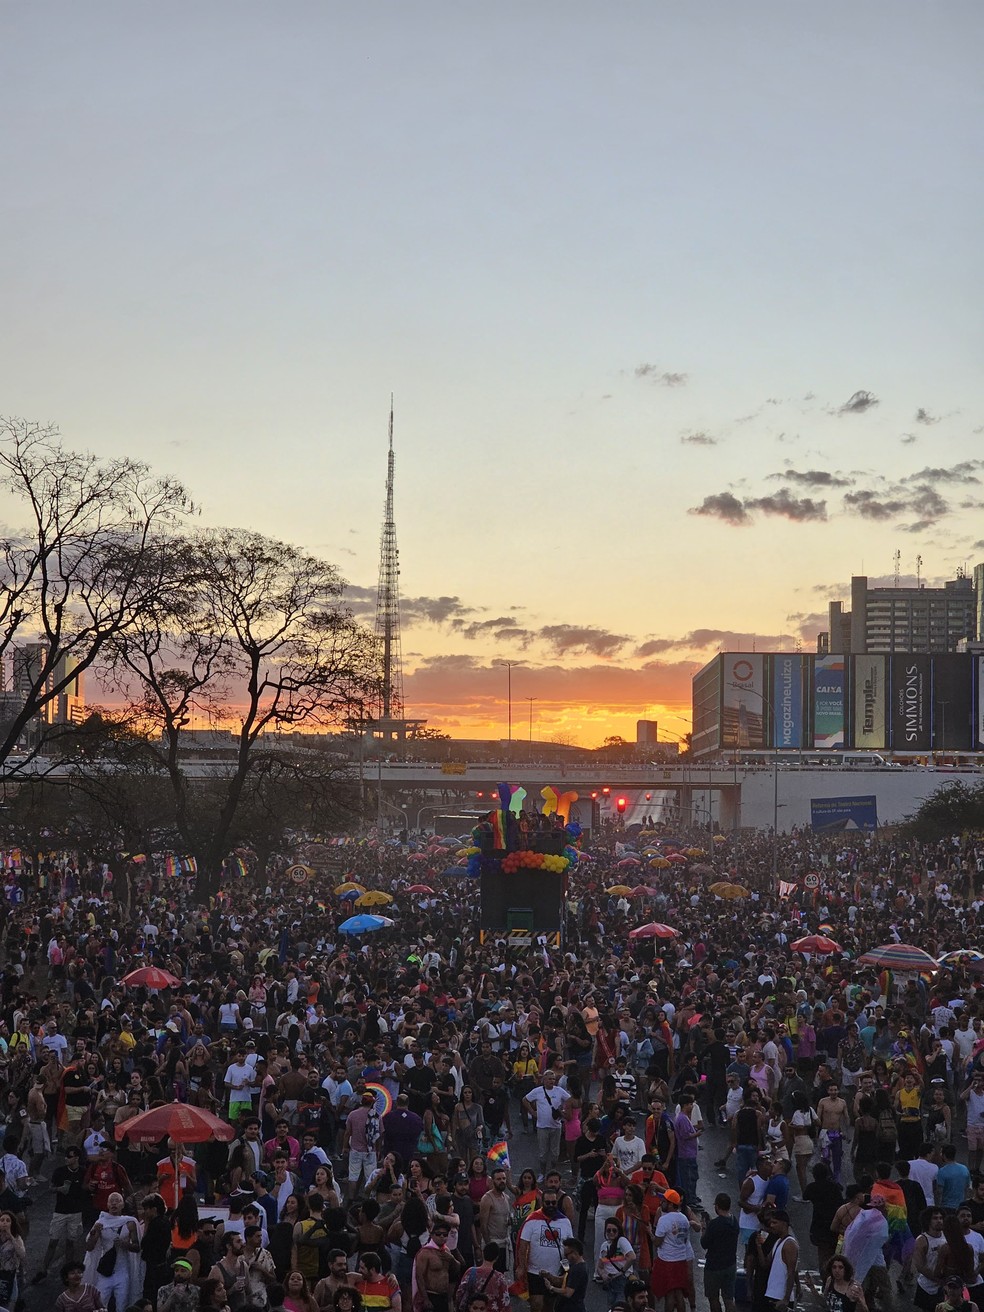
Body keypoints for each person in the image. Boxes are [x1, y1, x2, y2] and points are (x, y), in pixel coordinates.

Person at [515, 1186, 574, 1312]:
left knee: (549, 1305)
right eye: (548, 1203)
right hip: (534, 1271)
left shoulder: (565, 1222)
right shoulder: (532, 1220)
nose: (551, 1205)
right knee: (536, 1304)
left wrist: (572, 1265)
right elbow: (523, 1244)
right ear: (542, 1202)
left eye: (554, 1202)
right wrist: (521, 1266)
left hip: (555, 1272)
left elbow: (571, 1245)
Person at [83, 1190, 141, 1312]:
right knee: (100, 1304)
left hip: (122, 1270)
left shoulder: (129, 1222)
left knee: (122, 1305)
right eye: (111, 1201)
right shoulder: (100, 1223)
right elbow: (89, 1247)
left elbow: (137, 1247)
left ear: (122, 1205)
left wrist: (125, 1244)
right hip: (105, 1271)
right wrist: (95, 1233)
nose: (114, 1204)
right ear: (108, 1205)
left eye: (117, 1201)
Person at [651, 1190, 695, 1312]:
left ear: (670, 1204)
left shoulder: (664, 1220)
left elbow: (657, 1242)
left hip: (667, 1260)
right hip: (681, 1260)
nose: (661, 1203)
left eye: (664, 1201)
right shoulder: (684, 1219)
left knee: (669, 1294)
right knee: (679, 1293)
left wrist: (650, 1233)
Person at [522, 1072, 570, 1182]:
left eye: (553, 1079)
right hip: (542, 1127)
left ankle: (552, 1173)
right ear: (544, 1080)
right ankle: (542, 1173)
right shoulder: (538, 1091)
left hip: (556, 1126)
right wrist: (532, 1112)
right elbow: (525, 1100)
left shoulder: (559, 1091)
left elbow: (570, 1100)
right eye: (549, 1079)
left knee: (555, 1153)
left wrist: (563, 1110)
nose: (552, 1081)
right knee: (543, 1153)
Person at [412, 1218, 461, 1312]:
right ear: (432, 1235)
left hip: (444, 1296)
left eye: (445, 1234)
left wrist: (451, 1259)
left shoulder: (446, 1251)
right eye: (438, 1234)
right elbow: (419, 1277)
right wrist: (425, 1299)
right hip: (431, 1296)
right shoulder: (425, 1253)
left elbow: (457, 1269)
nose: (442, 1236)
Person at [700, 1193, 739, 1312]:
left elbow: (704, 1244)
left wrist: (704, 1229)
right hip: (730, 1265)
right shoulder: (734, 1221)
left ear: (717, 1206)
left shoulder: (714, 1224)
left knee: (713, 1298)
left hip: (714, 1267)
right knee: (728, 1298)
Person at [759, 1210, 798, 1311]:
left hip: (780, 1298)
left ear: (784, 1223)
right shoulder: (778, 1242)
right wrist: (759, 1247)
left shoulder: (789, 1244)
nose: (771, 1225)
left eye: (775, 1222)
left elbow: (791, 1272)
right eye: (771, 1223)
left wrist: (786, 1299)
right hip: (772, 1295)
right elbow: (765, 1264)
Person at [453, 1243, 509, 1312]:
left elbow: (460, 1293)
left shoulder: (470, 1272)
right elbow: (505, 1303)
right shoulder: (499, 1278)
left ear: (483, 1253)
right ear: (496, 1258)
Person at [594, 1218, 635, 1308]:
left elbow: (632, 1257)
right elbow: (600, 1266)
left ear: (618, 1231)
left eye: (614, 1230)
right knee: (612, 1307)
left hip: (621, 1280)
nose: (611, 1233)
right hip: (610, 1281)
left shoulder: (622, 1241)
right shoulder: (604, 1246)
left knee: (619, 1307)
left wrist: (622, 1271)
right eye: (608, 1230)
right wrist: (603, 1275)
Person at [542, 1236, 588, 1312]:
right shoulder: (576, 1266)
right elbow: (564, 1279)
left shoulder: (578, 1269)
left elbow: (568, 1292)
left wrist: (551, 1288)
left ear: (575, 1253)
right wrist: (549, 1276)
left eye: (567, 1255)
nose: (566, 1258)